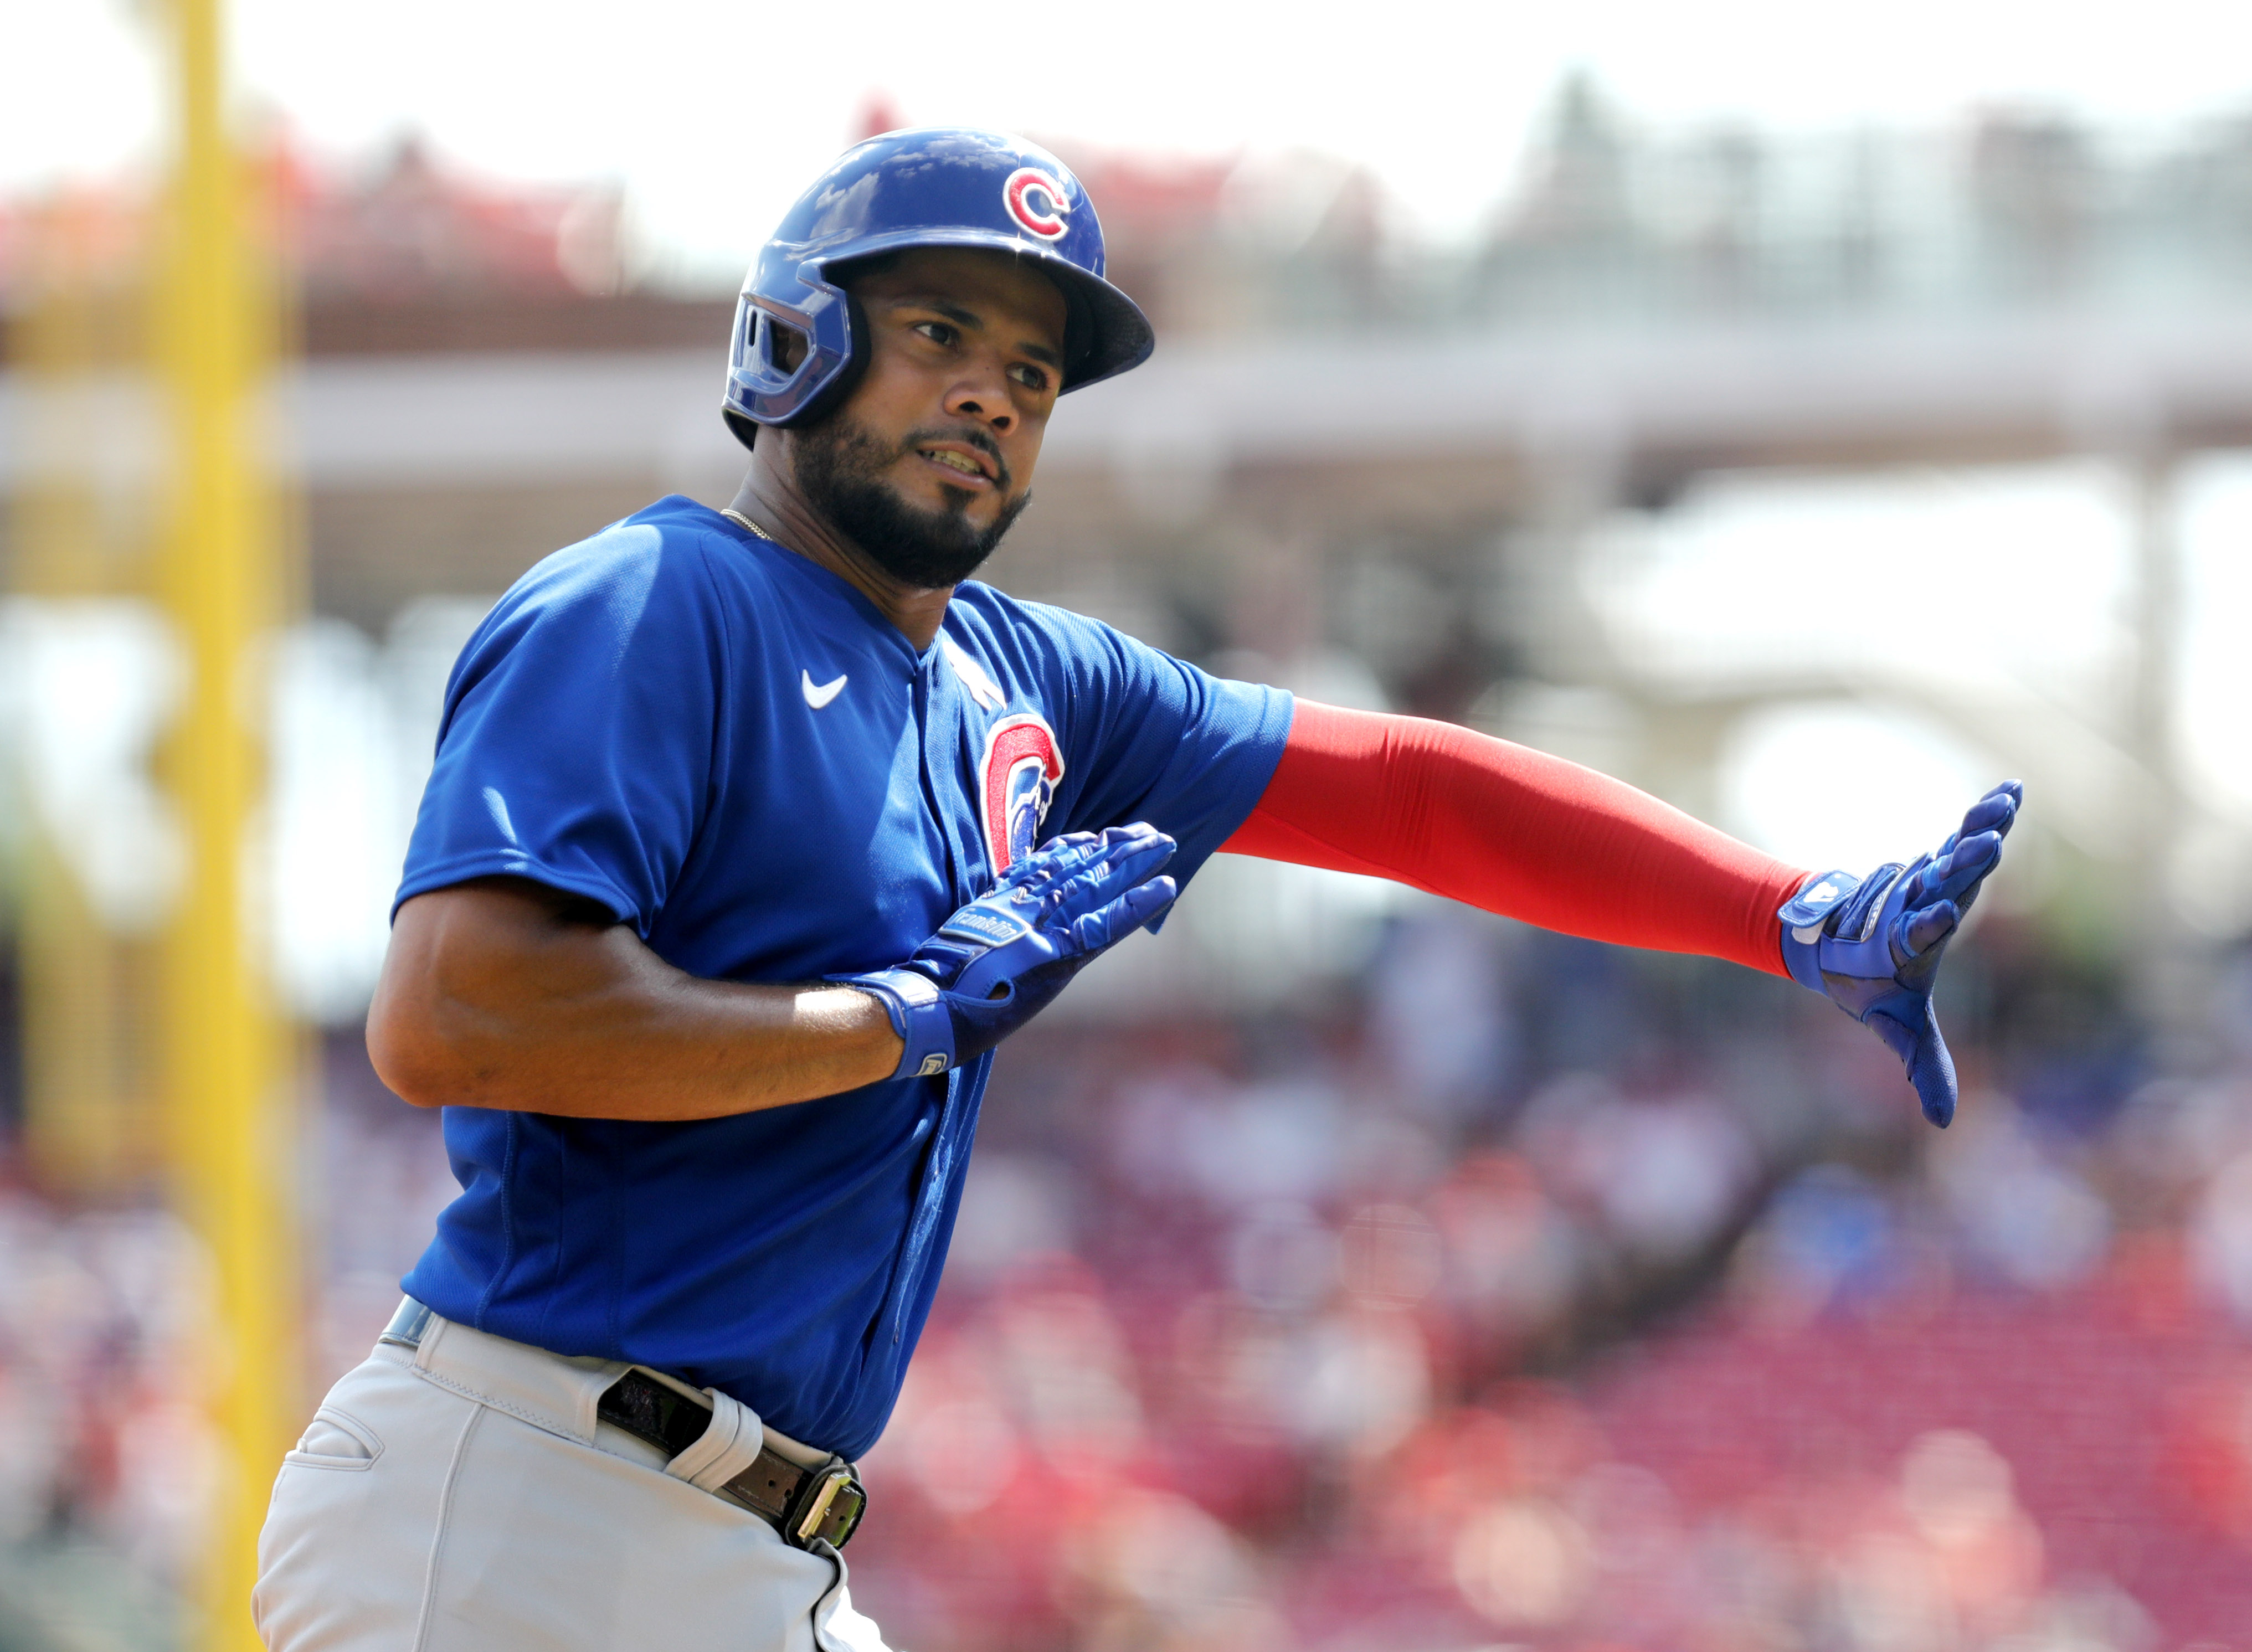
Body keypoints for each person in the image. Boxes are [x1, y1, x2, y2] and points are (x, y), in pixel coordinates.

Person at [250, 127, 2018, 1652]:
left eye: (1029, 373)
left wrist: (1775, 910)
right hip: (523, 1512)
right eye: (939, 331)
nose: (989, 394)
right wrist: (902, 1019)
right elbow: (453, 1013)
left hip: (728, 1543)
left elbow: (1403, 791)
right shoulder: (656, 602)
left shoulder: (1023, 680)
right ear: (793, 342)